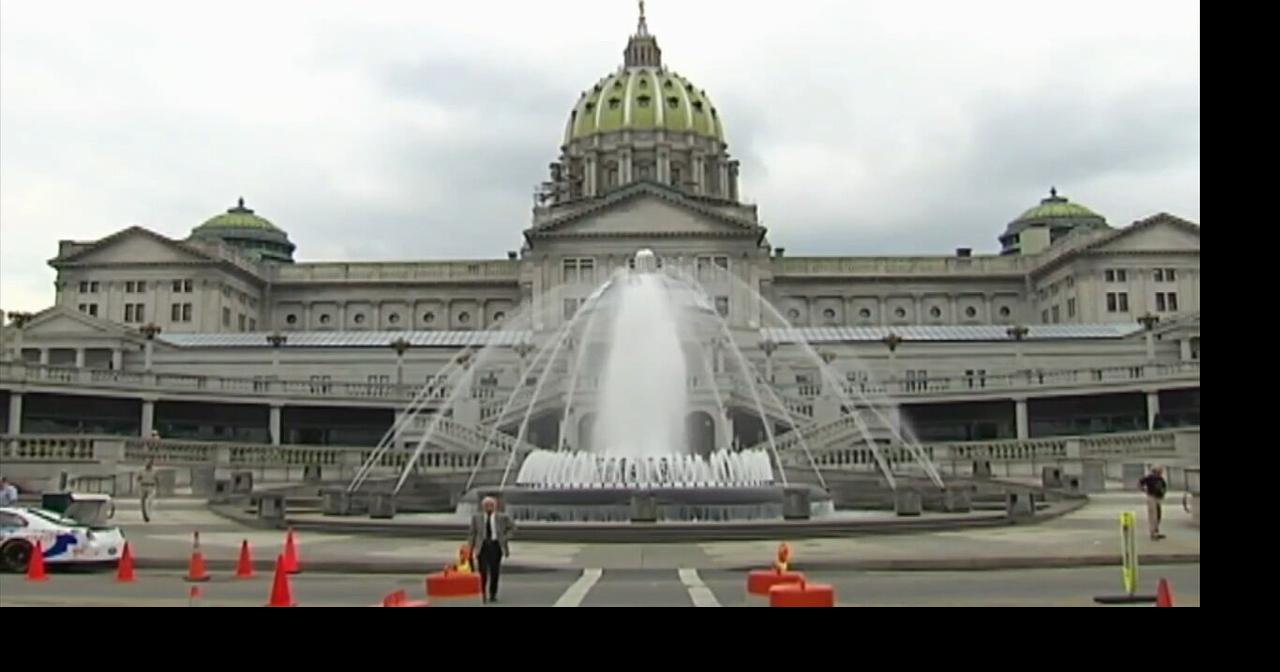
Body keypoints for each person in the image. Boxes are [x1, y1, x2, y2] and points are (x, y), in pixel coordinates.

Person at [466, 496, 515, 603]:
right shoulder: (476, 517)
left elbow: (512, 528)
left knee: (494, 571)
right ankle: (482, 593)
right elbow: (472, 533)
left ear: (495, 506)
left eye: (491, 505)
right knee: (482, 571)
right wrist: (470, 547)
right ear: (483, 506)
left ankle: (493, 593)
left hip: (496, 546)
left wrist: (504, 537)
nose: (489, 507)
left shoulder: (502, 517)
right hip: (482, 546)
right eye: (486, 505)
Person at [1138, 466, 1168, 540]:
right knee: (1153, 516)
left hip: (1158, 498)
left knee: (1158, 515)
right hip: (1151, 497)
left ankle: (1156, 530)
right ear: (1156, 471)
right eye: (1160, 471)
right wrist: (1143, 490)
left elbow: (1164, 487)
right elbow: (1140, 483)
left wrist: (1163, 494)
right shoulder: (1149, 478)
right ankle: (1153, 533)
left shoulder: (1160, 479)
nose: (1161, 473)